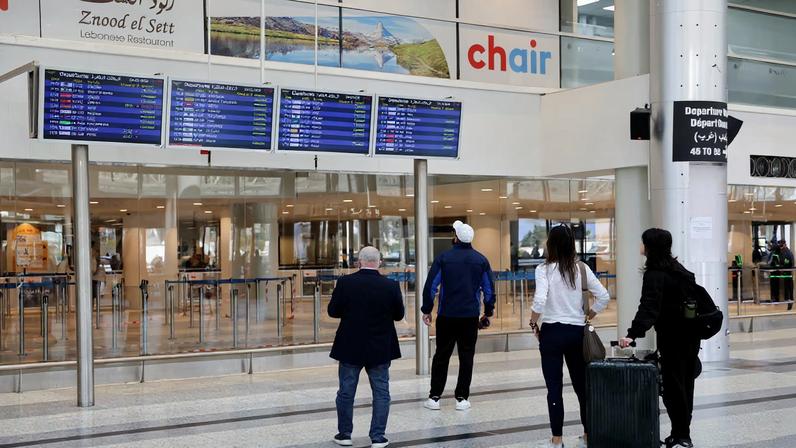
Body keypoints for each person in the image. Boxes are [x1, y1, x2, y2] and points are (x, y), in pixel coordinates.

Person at [619, 228, 702, 448]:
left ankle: (681, 436)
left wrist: (631, 334)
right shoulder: (679, 269)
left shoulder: (655, 274)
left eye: (643, 242)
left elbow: (649, 308)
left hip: (673, 337)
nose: (641, 246)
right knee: (685, 385)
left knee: (674, 388)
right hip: (691, 336)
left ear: (650, 247)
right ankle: (682, 433)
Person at [529, 225, 610, 448]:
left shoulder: (543, 269)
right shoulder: (582, 269)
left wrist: (533, 321)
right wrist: (588, 314)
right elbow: (603, 296)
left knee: (554, 387)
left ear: (550, 245)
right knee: (582, 387)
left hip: (552, 333)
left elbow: (539, 301)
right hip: (577, 334)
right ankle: (587, 435)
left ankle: (557, 440)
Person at [328, 246, 405, 448]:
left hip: (350, 345)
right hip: (380, 347)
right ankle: (378, 437)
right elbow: (399, 315)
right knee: (381, 392)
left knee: (346, 391)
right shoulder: (391, 286)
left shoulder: (345, 282)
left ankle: (344, 435)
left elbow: (333, 312)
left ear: (359, 262)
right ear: (379, 262)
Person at [421, 220, 495, 411]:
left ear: (456, 237)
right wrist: (488, 312)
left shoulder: (443, 258)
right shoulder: (481, 260)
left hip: (446, 315)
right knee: (467, 356)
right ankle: (462, 398)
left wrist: (426, 309)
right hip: (469, 317)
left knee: (441, 355)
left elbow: (431, 286)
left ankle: (434, 397)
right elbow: (488, 289)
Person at [780, 240, 794, 310]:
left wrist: (782, 265)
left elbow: (788, 262)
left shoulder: (787, 253)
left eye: (782, 245)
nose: (781, 247)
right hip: (786, 272)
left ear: (785, 245)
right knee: (788, 288)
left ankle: (790, 302)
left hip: (788, 272)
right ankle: (789, 301)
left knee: (789, 288)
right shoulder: (785, 252)